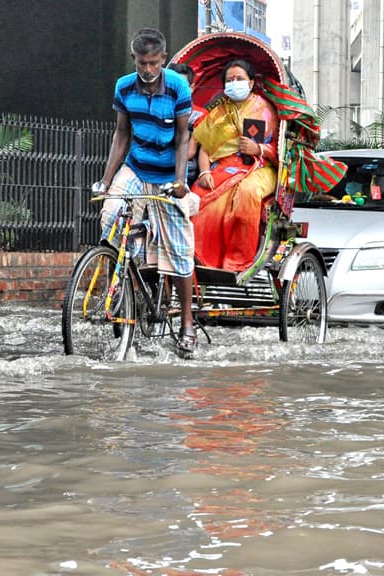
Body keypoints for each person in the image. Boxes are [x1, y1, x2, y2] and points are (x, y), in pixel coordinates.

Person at [93, 27, 200, 356]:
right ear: (134, 59)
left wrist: (181, 180)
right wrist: (106, 179)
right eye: (142, 62)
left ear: (163, 60)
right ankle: (125, 284)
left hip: (169, 173)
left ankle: (186, 323)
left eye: (154, 63)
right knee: (110, 217)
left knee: (181, 252)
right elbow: (121, 134)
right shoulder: (124, 87)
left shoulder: (178, 87)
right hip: (136, 168)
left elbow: (183, 137)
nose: (148, 69)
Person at [191, 59, 279, 272]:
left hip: (261, 167)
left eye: (239, 79)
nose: (234, 83)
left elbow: (280, 150)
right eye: (230, 80)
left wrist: (258, 149)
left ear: (250, 83)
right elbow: (204, 150)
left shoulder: (265, 110)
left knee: (246, 194)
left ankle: (237, 261)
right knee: (196, 197)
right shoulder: (218, 112)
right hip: (224, 168)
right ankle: (201, 261)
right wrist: (204, 172)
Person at [167, 62, 206, 186]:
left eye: (182, 85)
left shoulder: (201, 115)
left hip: (185, 170)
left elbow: (191, 151)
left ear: (192, 87)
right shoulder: (159, 109)